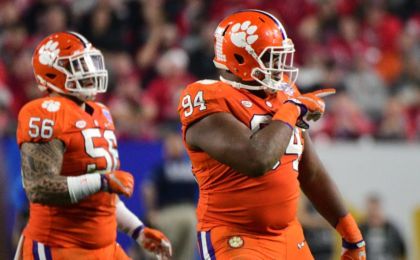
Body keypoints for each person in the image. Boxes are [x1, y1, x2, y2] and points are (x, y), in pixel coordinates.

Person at [177, 10, 366, 260]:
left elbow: (311, 172)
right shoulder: (207, 97)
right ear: (239, 59)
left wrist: (351, 234)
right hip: (236, 238)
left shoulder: (284, 92)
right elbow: (257, 160)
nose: (279, 67)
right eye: (271, 58)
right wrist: (292, 109)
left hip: (289, 236)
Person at [14, 32, 172, 259]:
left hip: (105, 246)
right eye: (78, 65)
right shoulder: (44, 112)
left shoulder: (101, 113)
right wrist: (102, 181)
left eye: (89, 63)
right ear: (53, 71)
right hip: (60, 247)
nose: (89, 71)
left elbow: (102, 197)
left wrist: (138, 230)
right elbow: (39, 187)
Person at [142, 132, 198, 260]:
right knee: (163, 251)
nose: (174, 146)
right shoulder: (162, 168)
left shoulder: (191, 166)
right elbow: (148, 188)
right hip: (167, 213)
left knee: (186, 253)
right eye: (170, 144)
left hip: (189, 211)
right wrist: (151, 211)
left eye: (176, 143)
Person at [360, 195, 406, 260]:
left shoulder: (392, 230)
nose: (373, 213)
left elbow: (402, 251)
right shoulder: (361, 229)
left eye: (375, 209)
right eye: (371, 210)